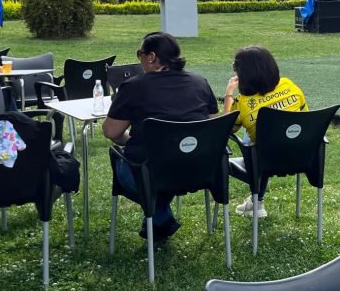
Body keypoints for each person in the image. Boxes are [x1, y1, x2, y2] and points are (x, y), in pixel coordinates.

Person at [101, 32, 219, 242]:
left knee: (132, 163)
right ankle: (158, 222)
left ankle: (162, 218)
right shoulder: (200, 82)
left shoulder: (133, 87)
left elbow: (111, 132)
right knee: (163, 164)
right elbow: (211, 126)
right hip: (198, 169)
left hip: (150, 172)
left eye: (140, 54)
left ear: (152, 57)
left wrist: (129, 140)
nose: (140, 59)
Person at [223, 46, 308, 218]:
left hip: (265, 162)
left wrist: (228, 94)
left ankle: (256, 200)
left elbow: (224, 129)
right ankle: (256, 202)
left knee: (251, 141)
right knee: (263, 135)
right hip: (302, 156)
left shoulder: (243, 103)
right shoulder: (289, 84)